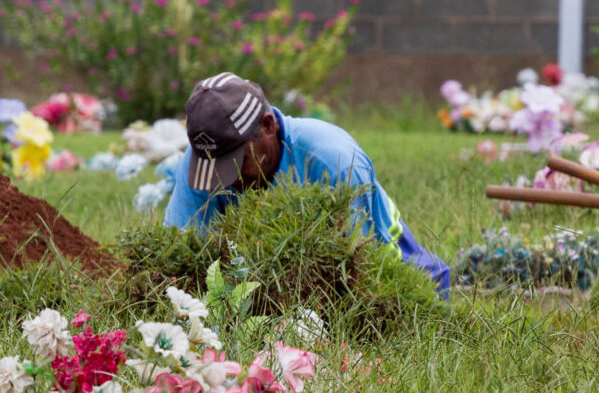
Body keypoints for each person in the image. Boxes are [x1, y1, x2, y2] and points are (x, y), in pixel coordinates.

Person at [162, 72, 451, 296]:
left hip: (389, 276)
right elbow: (181, 255)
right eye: (214, 167)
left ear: (267, 126)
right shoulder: (207, 156)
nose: (227, 179)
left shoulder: (332, 160)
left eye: (237, 163)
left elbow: (354, 276)